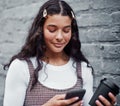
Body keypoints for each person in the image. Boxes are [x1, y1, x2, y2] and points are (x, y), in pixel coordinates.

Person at [3, 0, 117, 106]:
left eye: (66, 30)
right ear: (40, 29)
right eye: (52, 30)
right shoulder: (21, 67)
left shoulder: (83, 69)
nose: (59, 37)